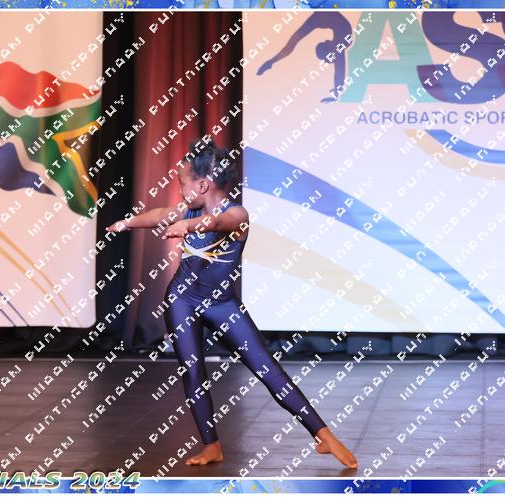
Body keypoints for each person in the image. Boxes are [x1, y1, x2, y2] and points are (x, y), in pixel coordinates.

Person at [105, 138, 357, 469]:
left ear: (203, 184)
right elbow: (160, 215)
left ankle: (323, 435)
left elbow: (216, 223)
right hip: (182, 300)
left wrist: (186, 225)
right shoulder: (188, 209)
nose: (180, 190)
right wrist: (126, 223)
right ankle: (212, 447)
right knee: (193, 373)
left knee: (268, 369)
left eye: (182, 183)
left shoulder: (237, 214)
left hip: (222, 304)